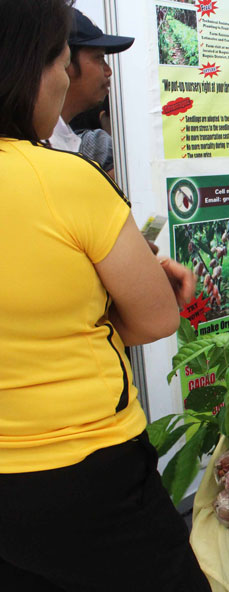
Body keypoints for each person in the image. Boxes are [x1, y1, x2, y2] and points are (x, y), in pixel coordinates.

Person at [0, 2, 208, 590]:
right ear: (27, 70)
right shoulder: (62, 177)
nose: (68, 77)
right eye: (63, 63)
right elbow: (156, 317)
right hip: (85, 465)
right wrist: (111, 302)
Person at [48, 7, 133, 178]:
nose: (108, 71)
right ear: (65, 61)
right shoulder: (33, 144)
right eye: (99, 58)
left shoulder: (66, 141)